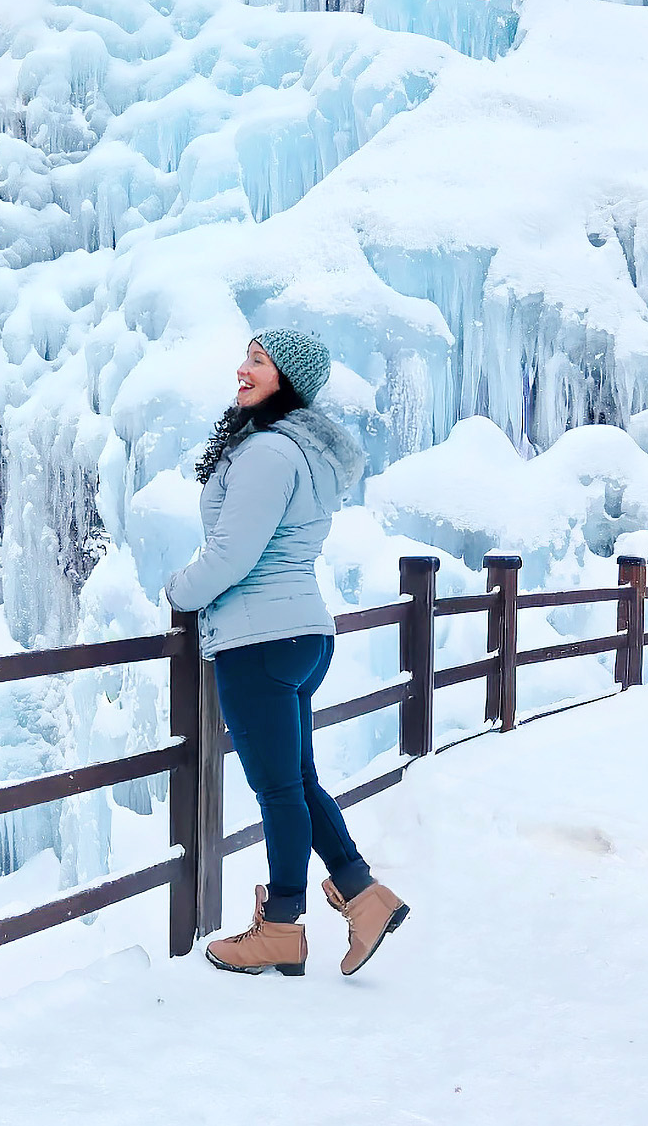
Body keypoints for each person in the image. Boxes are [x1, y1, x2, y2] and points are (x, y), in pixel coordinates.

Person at [165, 329, 408, 977]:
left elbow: (233, 554)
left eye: (258, 361)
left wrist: (178, 591)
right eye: (245, 355)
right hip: (297, 634)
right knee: (296, 782)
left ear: (286, 380)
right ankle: (364, 896)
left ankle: (280, 927)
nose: (242, 369)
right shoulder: (296, 448)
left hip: (259, 640)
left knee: (278, 790)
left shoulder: (269, 452)